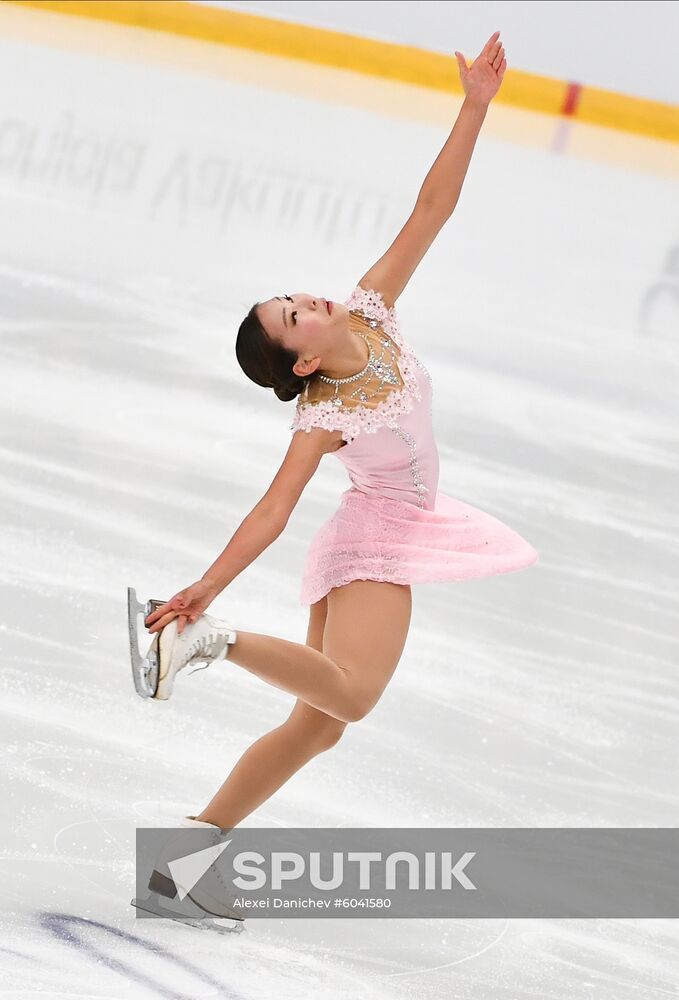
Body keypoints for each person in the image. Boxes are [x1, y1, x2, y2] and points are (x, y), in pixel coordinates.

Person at [142, 32, 528, 833]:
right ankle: (212, 642)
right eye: (292, 317)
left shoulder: (372, 313)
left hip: (385, 530)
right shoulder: (325, 415)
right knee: (350, 696)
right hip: (372, 543)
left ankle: (184, 856)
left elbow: (431, 211)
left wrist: (474, 107)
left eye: (292, 298)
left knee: (318, 727)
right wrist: (207, 590)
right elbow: (272, 509)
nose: (306, 301)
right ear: (305, 360)